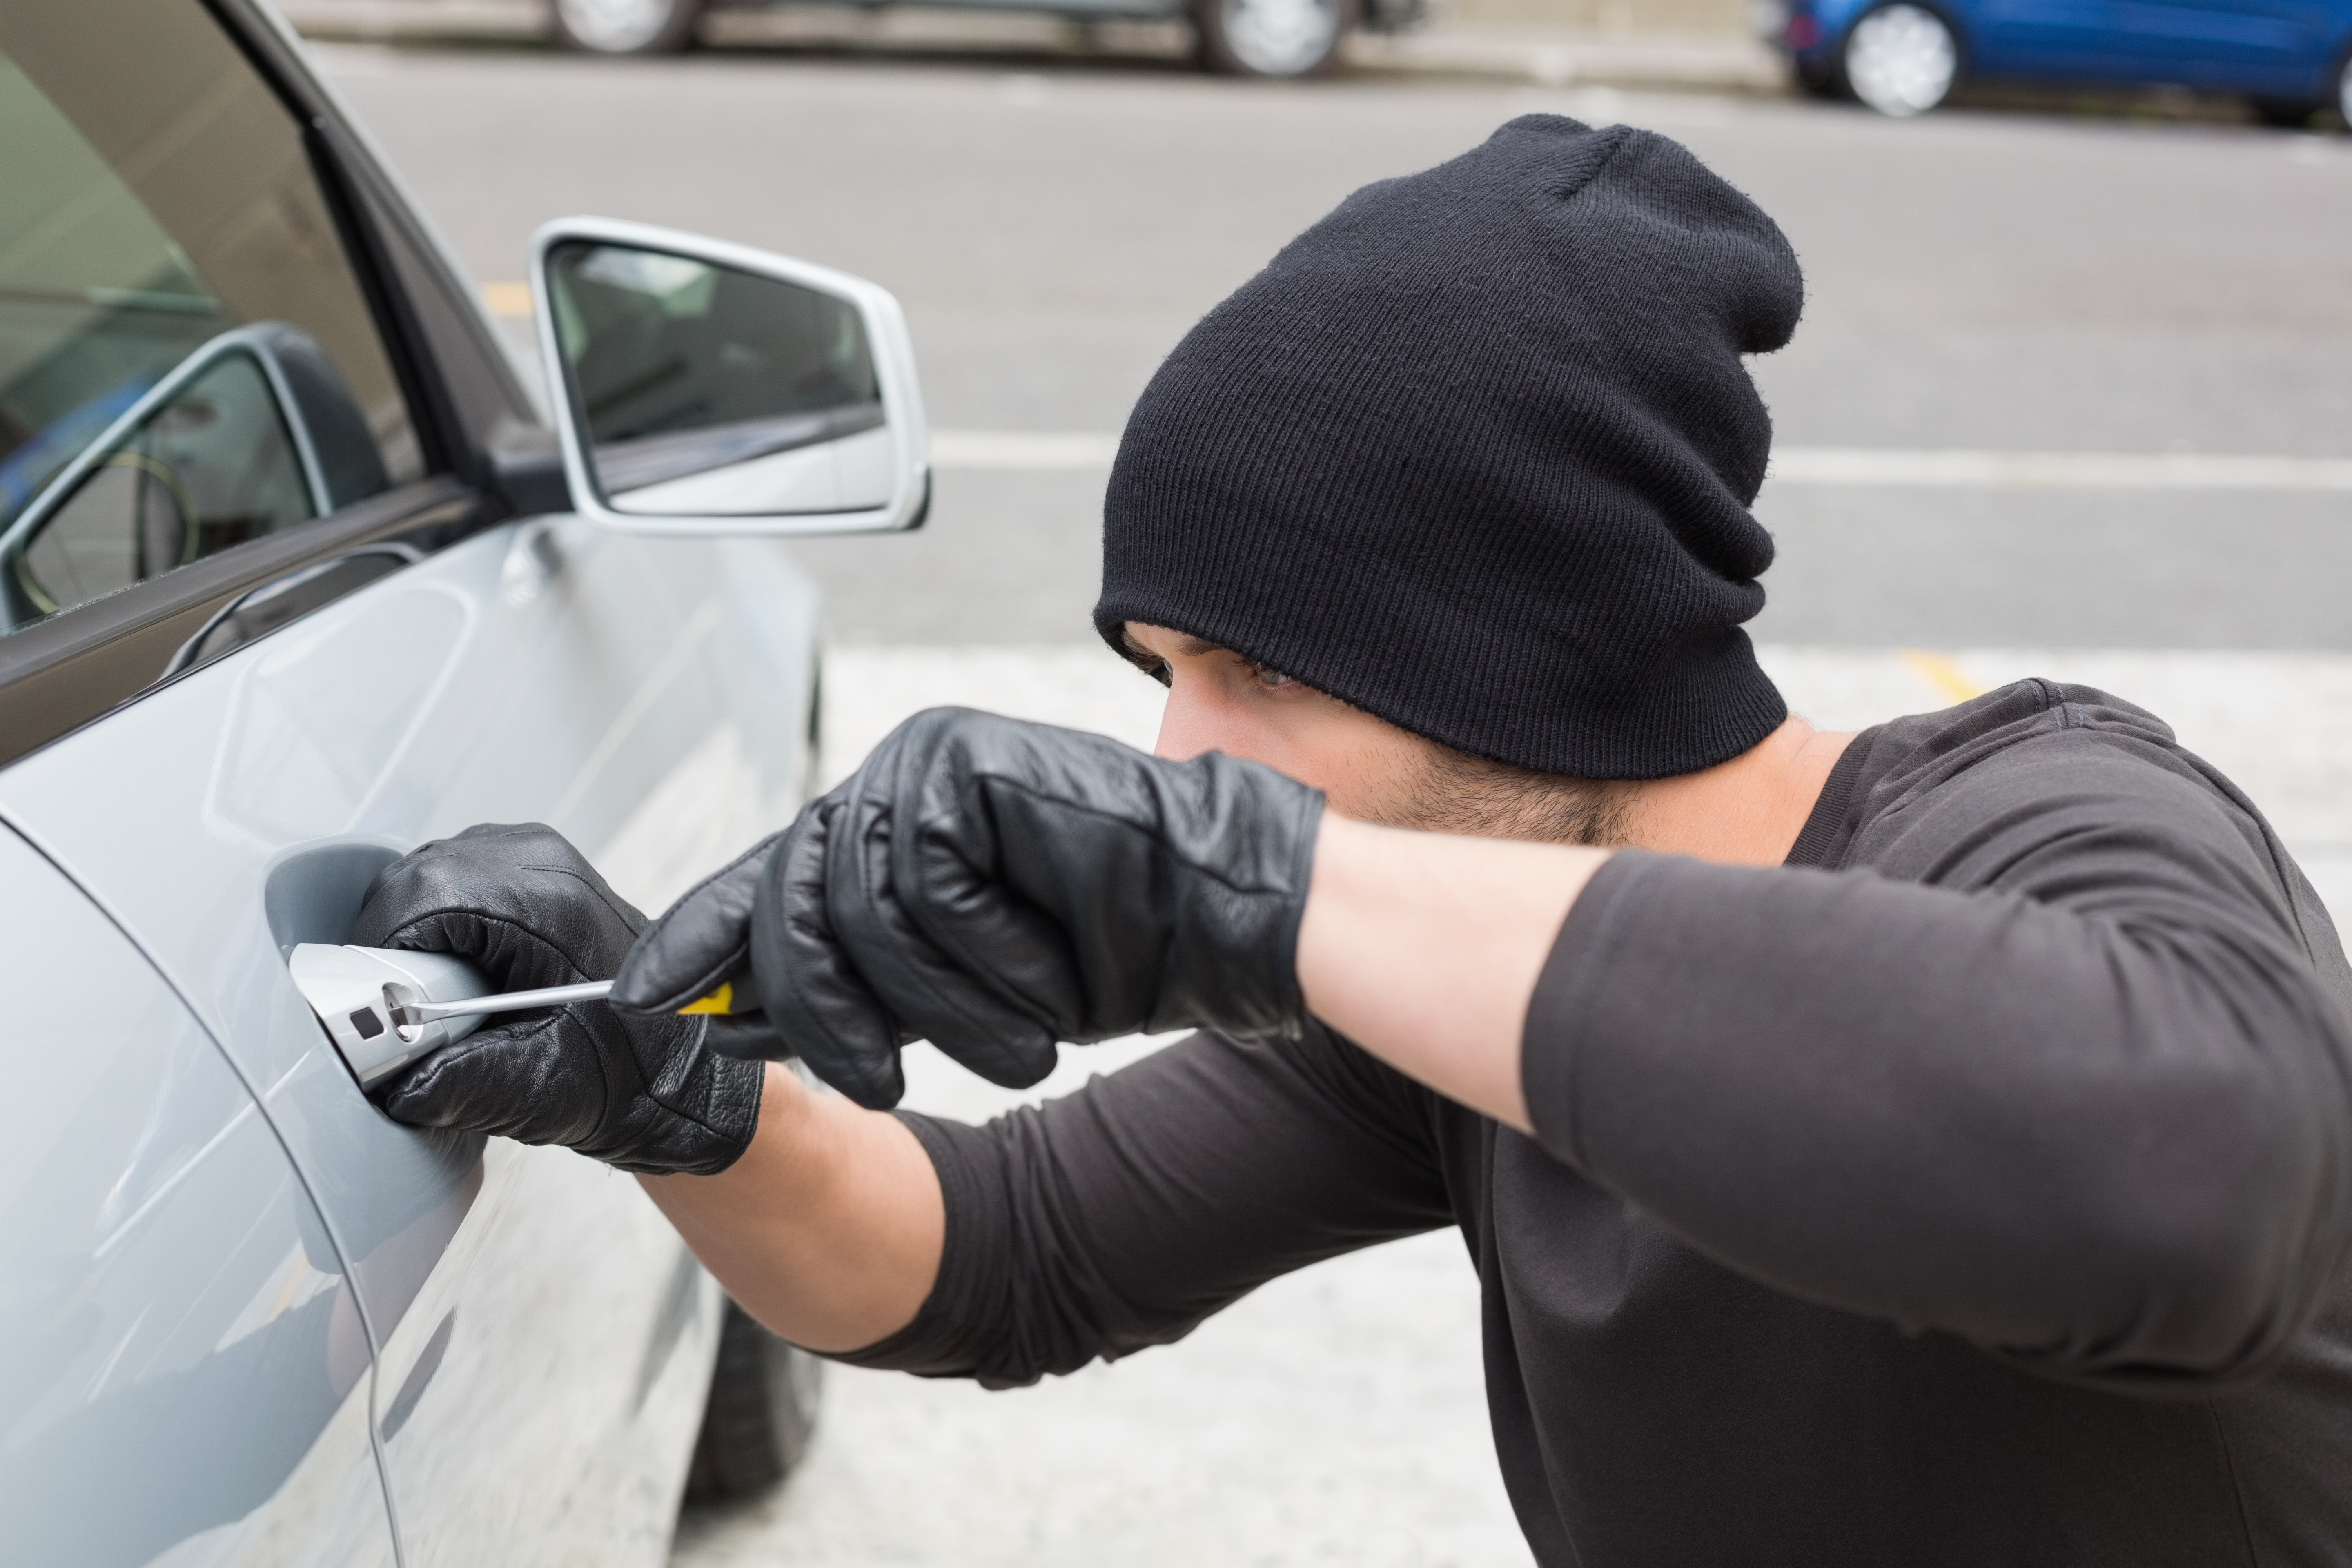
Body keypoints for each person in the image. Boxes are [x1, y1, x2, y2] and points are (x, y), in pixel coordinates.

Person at [350, 117, 2352, 1566]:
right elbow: (992, 1259)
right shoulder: (1445, 1001)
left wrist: (1266, 887)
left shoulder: (2054, 817)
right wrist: (674, 1089)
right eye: (1158, 670)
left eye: (1258, 675)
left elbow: (2190, 1179)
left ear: (1533, 644)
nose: (1181, 751)